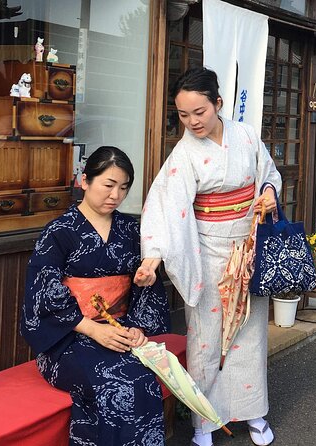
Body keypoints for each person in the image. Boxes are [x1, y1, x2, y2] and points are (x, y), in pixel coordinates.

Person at [135, 67, 281, 446]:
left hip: (248, 247)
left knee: (250, 333)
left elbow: (268, 173)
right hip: (207, 252)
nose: (192, 122)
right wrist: (153, 255)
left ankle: (253, 412)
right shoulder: (184, 153)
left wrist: (267, 191)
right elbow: (165, 206)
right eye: (183, 115)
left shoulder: (246, 136)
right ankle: (205, 419)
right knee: (205, 337)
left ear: (218, 103)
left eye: (199, 112)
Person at [20, 146, 171, 445]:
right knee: (116, 384)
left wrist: (138, 327)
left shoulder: (131, 230)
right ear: (85, 181)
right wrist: (92, 329)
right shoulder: (59, 231)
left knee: (143, 380)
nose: (116, 195)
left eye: (124, 187)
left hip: (120, 329)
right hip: (68, 339)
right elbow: (44, 291)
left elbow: (144, 285)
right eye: (108, 185)